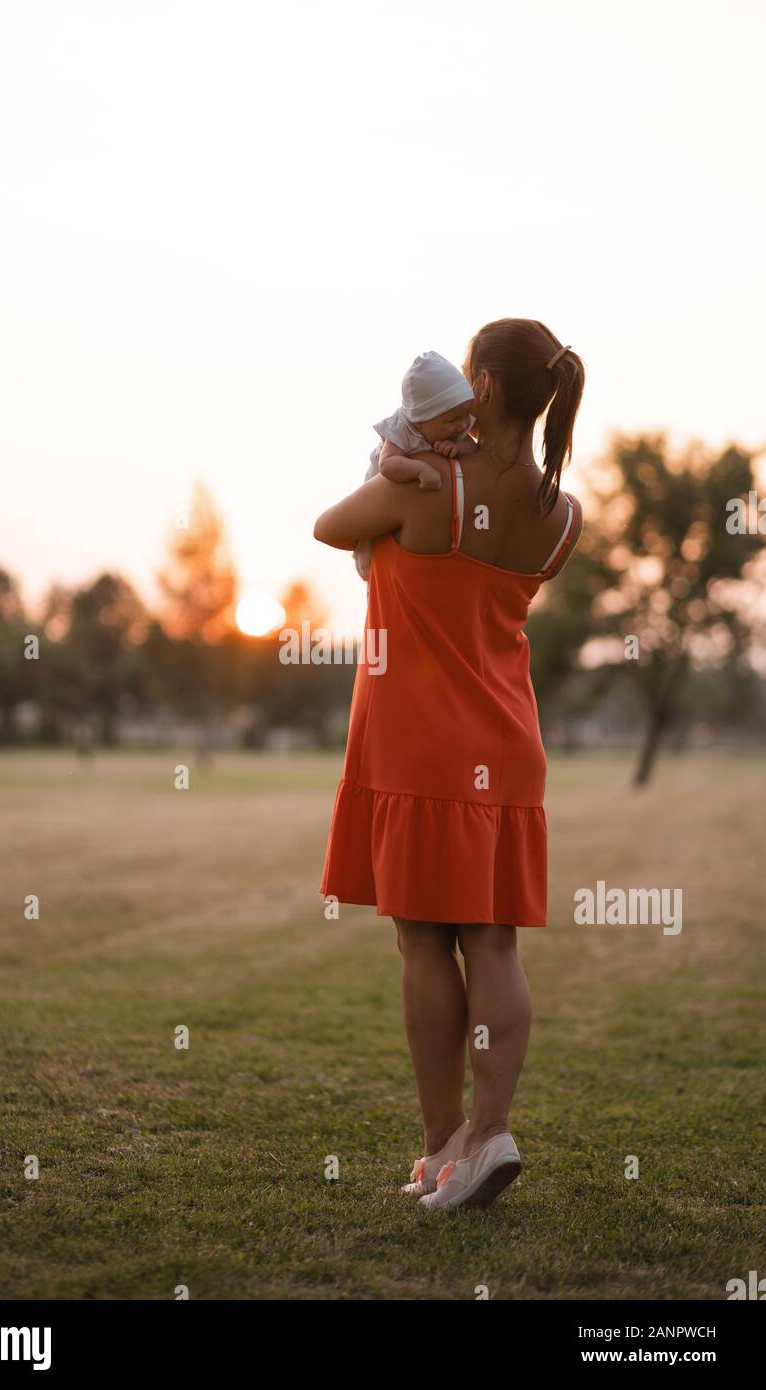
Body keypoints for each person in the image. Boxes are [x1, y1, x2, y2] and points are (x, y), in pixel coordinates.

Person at [314, 318, 585, 1211]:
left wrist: (399, 453)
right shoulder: (562, 518)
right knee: (494, 939)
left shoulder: (428, 488)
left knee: (423, 939)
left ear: (488, 389)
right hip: (506, 747)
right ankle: (487, 1132)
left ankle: (440, 1147)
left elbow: (327, 526)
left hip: (418, 743)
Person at [353, 350, 477, 581]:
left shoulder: (457, 423)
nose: (462, 426)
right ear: (420, 420)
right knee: (370, 531)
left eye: (466, 415)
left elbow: (472, 448)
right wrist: (420, 469)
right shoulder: (402, 428)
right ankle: (365, 557)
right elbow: (388, 464)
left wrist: (459, 448)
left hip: (415, 510)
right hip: (380, 487)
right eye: (452, 421)